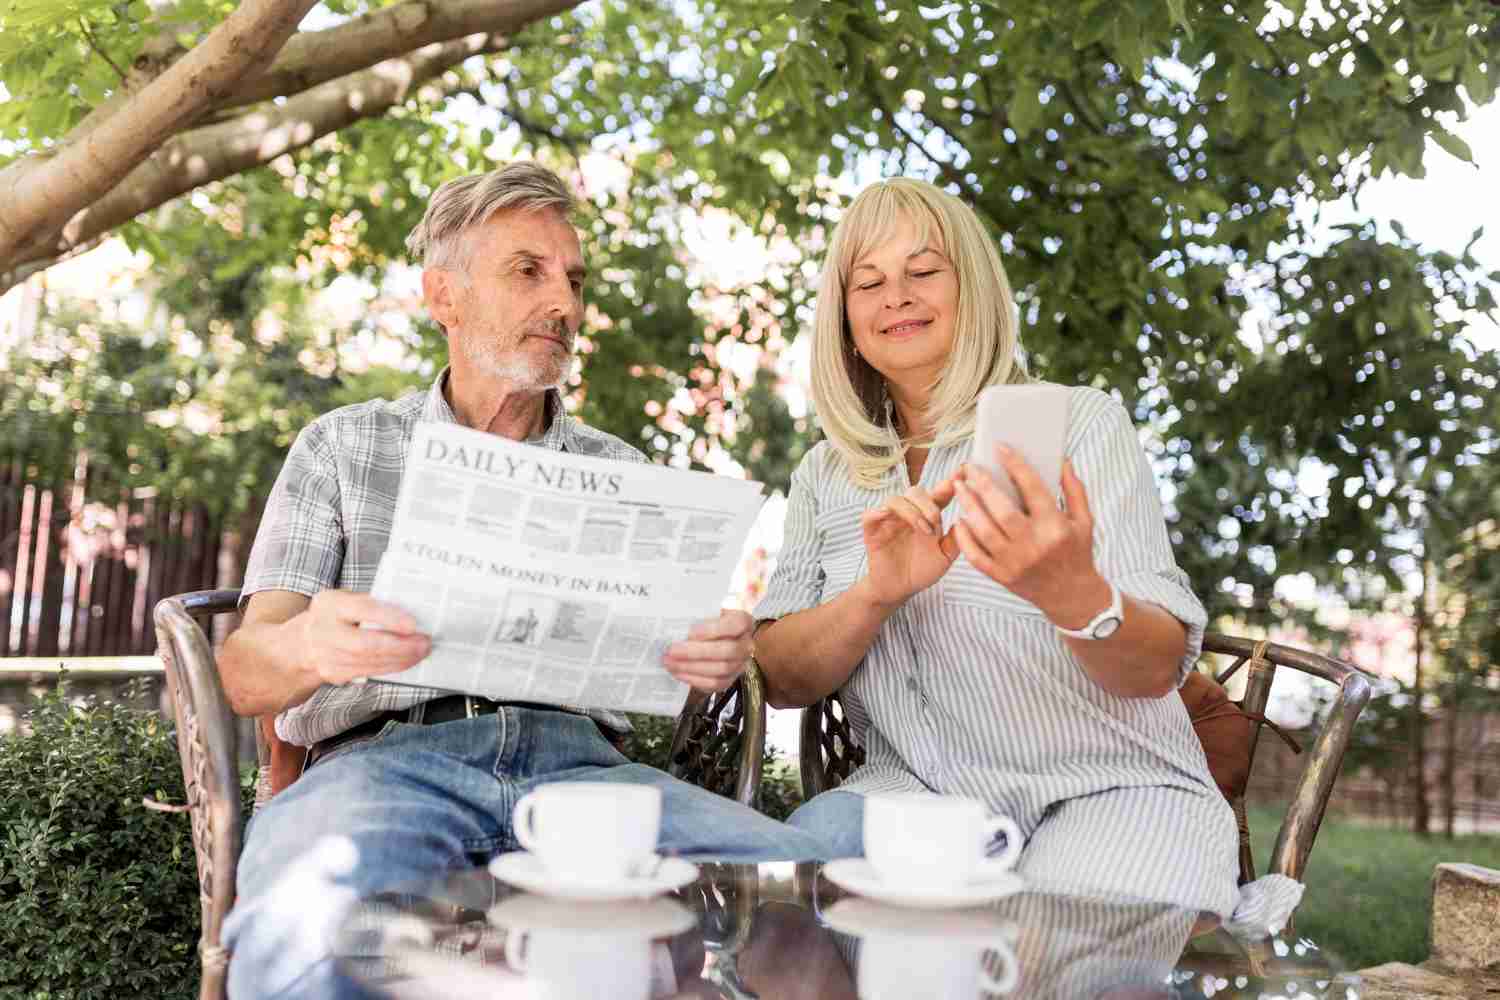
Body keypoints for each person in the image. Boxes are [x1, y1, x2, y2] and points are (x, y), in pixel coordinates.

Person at [216, 162, 825, 1000]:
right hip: (387, 766)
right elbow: (247, 672)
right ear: (444, 298)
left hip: (588, 777)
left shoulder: (622, 469)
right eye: (527, 272)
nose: (564, 304)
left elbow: (668, 681)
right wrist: (312, 643)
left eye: (573, 279)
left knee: (815, 908)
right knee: (309, 928)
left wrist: (709, 659)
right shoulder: (343, 446)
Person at [752, 177, 1283, 924]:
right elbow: (778, 678)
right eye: (867, 281)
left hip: (1112, 790)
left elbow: (1159, 664)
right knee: (778, 912)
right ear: (844, 318)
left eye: (924, 270)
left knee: (1058, 947)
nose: (894, 295)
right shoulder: (826, 473)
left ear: (974, 290)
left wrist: (1071, 591)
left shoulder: (1080, 426)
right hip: (916, 797)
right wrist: (873, 594)